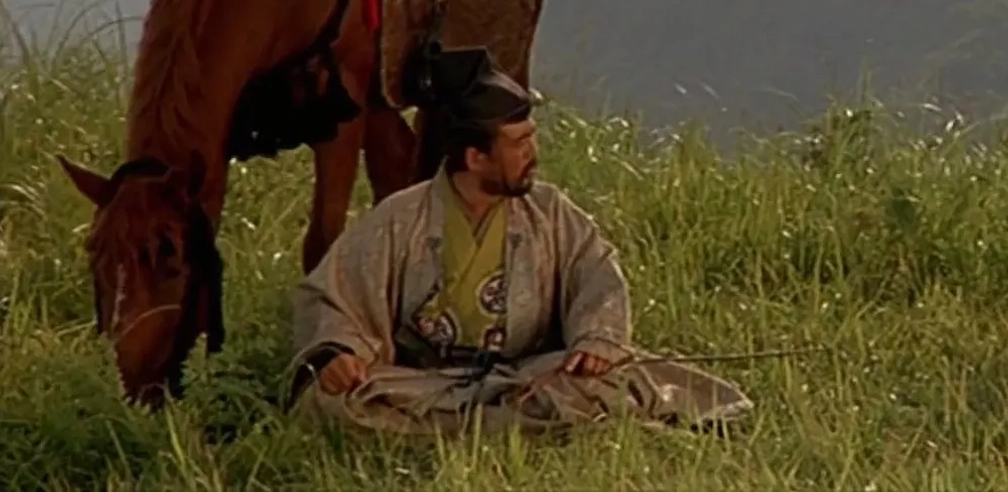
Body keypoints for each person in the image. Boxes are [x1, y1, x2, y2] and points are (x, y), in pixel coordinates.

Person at [285, 46, 752, 436]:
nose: (533, 154)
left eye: (531, 139)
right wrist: (339, 353)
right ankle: (533, 432)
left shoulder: (549, 214)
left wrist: (594, 340)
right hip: (423, 383)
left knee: (612, 381)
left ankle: (491, 430)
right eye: (519, 144)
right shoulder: (401, 218)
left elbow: (597, 275)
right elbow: (335, 297)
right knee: (332, 403)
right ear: (476, 157)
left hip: (531, 375)